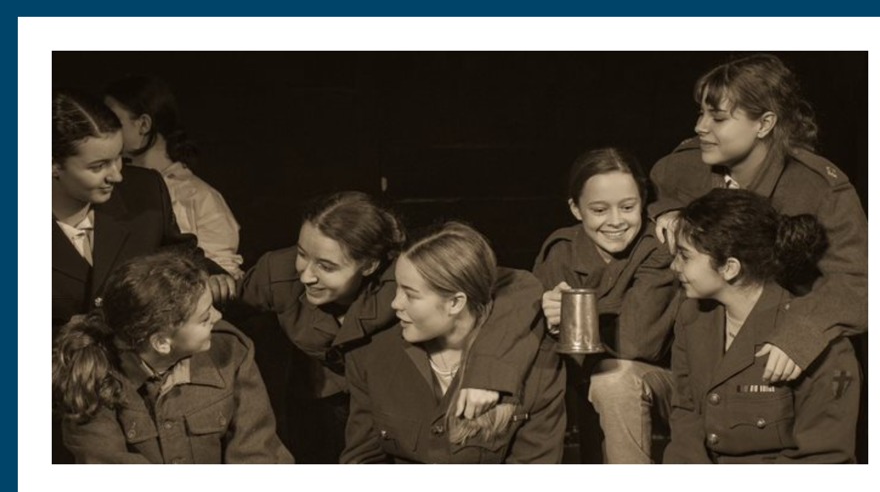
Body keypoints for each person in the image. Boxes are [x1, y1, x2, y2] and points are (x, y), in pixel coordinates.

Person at [237, 192, 544, 463]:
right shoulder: (277, 273)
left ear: (370, 265)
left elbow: (516, 288)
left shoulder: (405, 274)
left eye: (327, 266)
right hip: (316, 401)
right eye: (302, 254)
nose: (306, 275)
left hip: (394, 401)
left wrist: (486, 373)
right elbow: (223, 310)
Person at [649, 53, 868, 385]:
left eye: (718, 118)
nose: (700, 127)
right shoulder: (686, 167)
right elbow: (656, 183)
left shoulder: (819, 189)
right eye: (701, 113)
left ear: (764, 124)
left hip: (775, 356)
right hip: (698, 352)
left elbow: (859, 285)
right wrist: (667, 210)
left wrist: (801, 335)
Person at [341, 222, 565, 463]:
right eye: (397, 289)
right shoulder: (371, 357)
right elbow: (362, 460)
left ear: (455, 303)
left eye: (410, 294)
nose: (395, 303)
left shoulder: (539, 366)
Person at [664, 189, 860, 463]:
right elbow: (686, 415)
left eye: (685, 256)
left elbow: (822, 458)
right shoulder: (692, 318)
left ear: (730, 268)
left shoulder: (816, 342)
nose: (674, 266)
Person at [52, 251, 293, 464]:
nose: (218, 317)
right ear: (162, 343)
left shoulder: (231, 353)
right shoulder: (88, 375)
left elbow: (257, 455)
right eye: (204, 318)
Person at [532, 147, 680, 464]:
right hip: (584, 389)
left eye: (627, 207)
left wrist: (573, 317)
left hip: (664, 383)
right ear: (576, 209)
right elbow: (538, 344)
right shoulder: (562, 250)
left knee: (612, 379)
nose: (615, 221)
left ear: (643, 201)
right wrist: (545, 321)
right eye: (599, 210)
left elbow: (638, 343)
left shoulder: (657, 245)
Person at [53, 89, 235, 333]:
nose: (117, 175)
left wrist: (210, 276)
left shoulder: (145, 190)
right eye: (98, 166)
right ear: (53, 165)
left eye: (118, 158)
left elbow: (179, 255)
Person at [104, 75, 244, 279]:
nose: (103, 128)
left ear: (143, 124)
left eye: (113, 121)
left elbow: (223, 274)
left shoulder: (199, 197)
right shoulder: (110, 188)